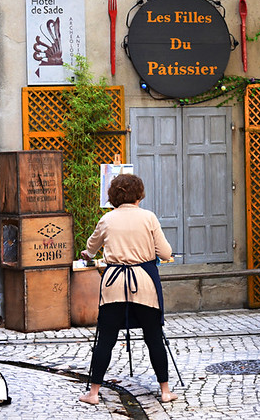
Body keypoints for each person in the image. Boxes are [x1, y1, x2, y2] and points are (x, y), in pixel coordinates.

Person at [78, 174, 179, 405]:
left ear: (113, 196)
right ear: (139, 195)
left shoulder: (107, 219)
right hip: (144, 285)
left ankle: (93, 393)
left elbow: (90, 249)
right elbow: (165, 253)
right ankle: (165, 391)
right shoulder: (148, 218)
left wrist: (90, 255)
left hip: (113, 285)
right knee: (153, 337)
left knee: (105, 339)